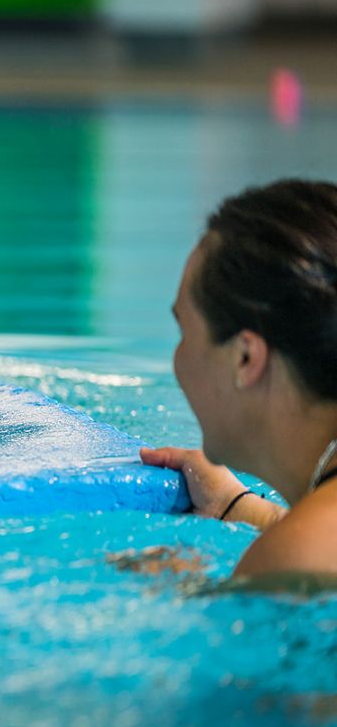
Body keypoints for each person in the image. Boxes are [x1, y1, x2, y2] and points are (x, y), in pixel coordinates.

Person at [141, 179, 337, 581]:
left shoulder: (295, 562)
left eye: (185, 333)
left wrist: (183, 594)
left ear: (246, 357)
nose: (178, 359)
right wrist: (241, 508)